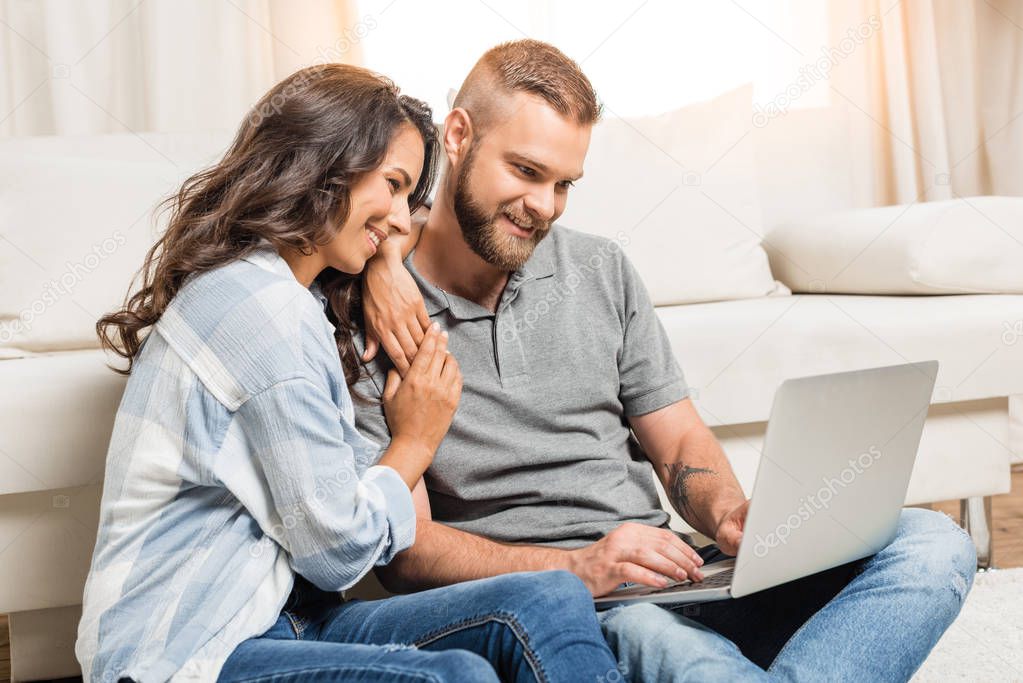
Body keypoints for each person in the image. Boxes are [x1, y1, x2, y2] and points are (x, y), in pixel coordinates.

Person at [353, 39, 977, 682]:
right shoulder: (371, 314)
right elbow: (408, 552)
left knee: (932, 544)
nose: (543, 205)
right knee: (672, 646)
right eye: (526, 171)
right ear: (457, 135)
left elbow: (678, 439)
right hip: (570, 608)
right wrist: (584, 568)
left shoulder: (600, 268)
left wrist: (730, 517)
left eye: (564, 184)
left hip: (676, 573)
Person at [75, 63, 620, 683]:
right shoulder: (260, 310)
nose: (398, 217)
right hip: (186, 650)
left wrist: (384, 257)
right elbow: (337, 552)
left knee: (549, 597)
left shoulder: (296, 299)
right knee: (455, 676)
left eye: (408, 196)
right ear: (323, 166)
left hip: (289, 617)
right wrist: (415, 440)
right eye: (391, 185)